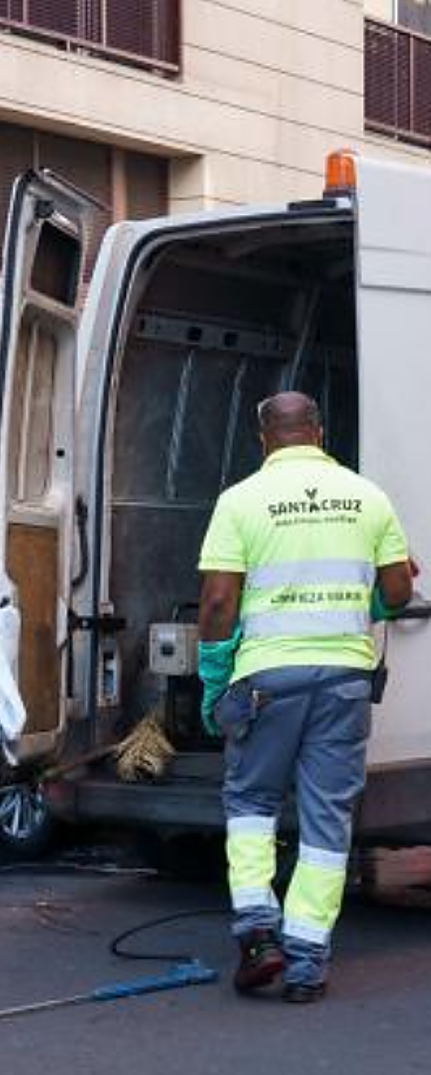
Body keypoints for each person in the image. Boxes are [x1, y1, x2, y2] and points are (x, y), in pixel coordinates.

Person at [197, 390, 414, 1004]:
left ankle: (257, 936)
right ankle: (306, 963)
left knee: (251, 803)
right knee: (327, 816)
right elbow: (399, 591)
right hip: (345, 679)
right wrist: (365, 603)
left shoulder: (240, 500)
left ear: (263, 438)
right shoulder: (368, 497)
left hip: (266, 680)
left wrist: (215, 679)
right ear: (318, 433)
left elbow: (219, 602)